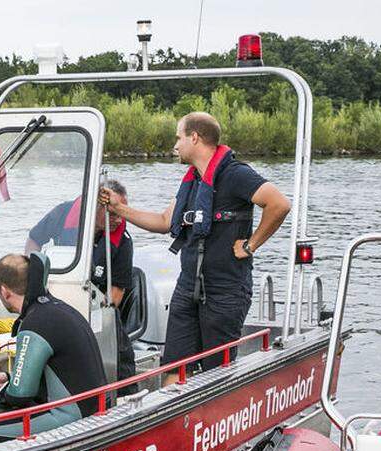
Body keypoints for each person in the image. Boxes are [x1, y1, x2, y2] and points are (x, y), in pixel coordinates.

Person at [102, 112, 290, 380]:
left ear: (195, 137)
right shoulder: (193, 181)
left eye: (178, 138)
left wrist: (251, 245)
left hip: (225, 290)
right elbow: (165, 221)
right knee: (174, 366)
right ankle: (168, 416)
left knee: (217, 371)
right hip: (188, 285)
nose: (175, 145)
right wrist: (119, 208)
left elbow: (279, 203)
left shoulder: (236, 174)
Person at [0, 252, 108, 449]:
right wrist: (10, 378)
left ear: (4, 291)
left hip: (69, 419)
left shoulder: (34, 323)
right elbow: (60, 374)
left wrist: (3, 393)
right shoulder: (59, 309)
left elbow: (20, 395)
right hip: (94, 408)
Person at [25, 179, 137, 390]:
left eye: (122, 213)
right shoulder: (62, 213)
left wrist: (92, 314)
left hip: (97, 307)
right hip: (58, 298)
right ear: (95, 207)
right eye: (113, 213)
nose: (118, 219)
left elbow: (117, 292)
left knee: (121, 354)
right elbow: (33, 240)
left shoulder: (124, 240)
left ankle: (123, 394)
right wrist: (34, 275)